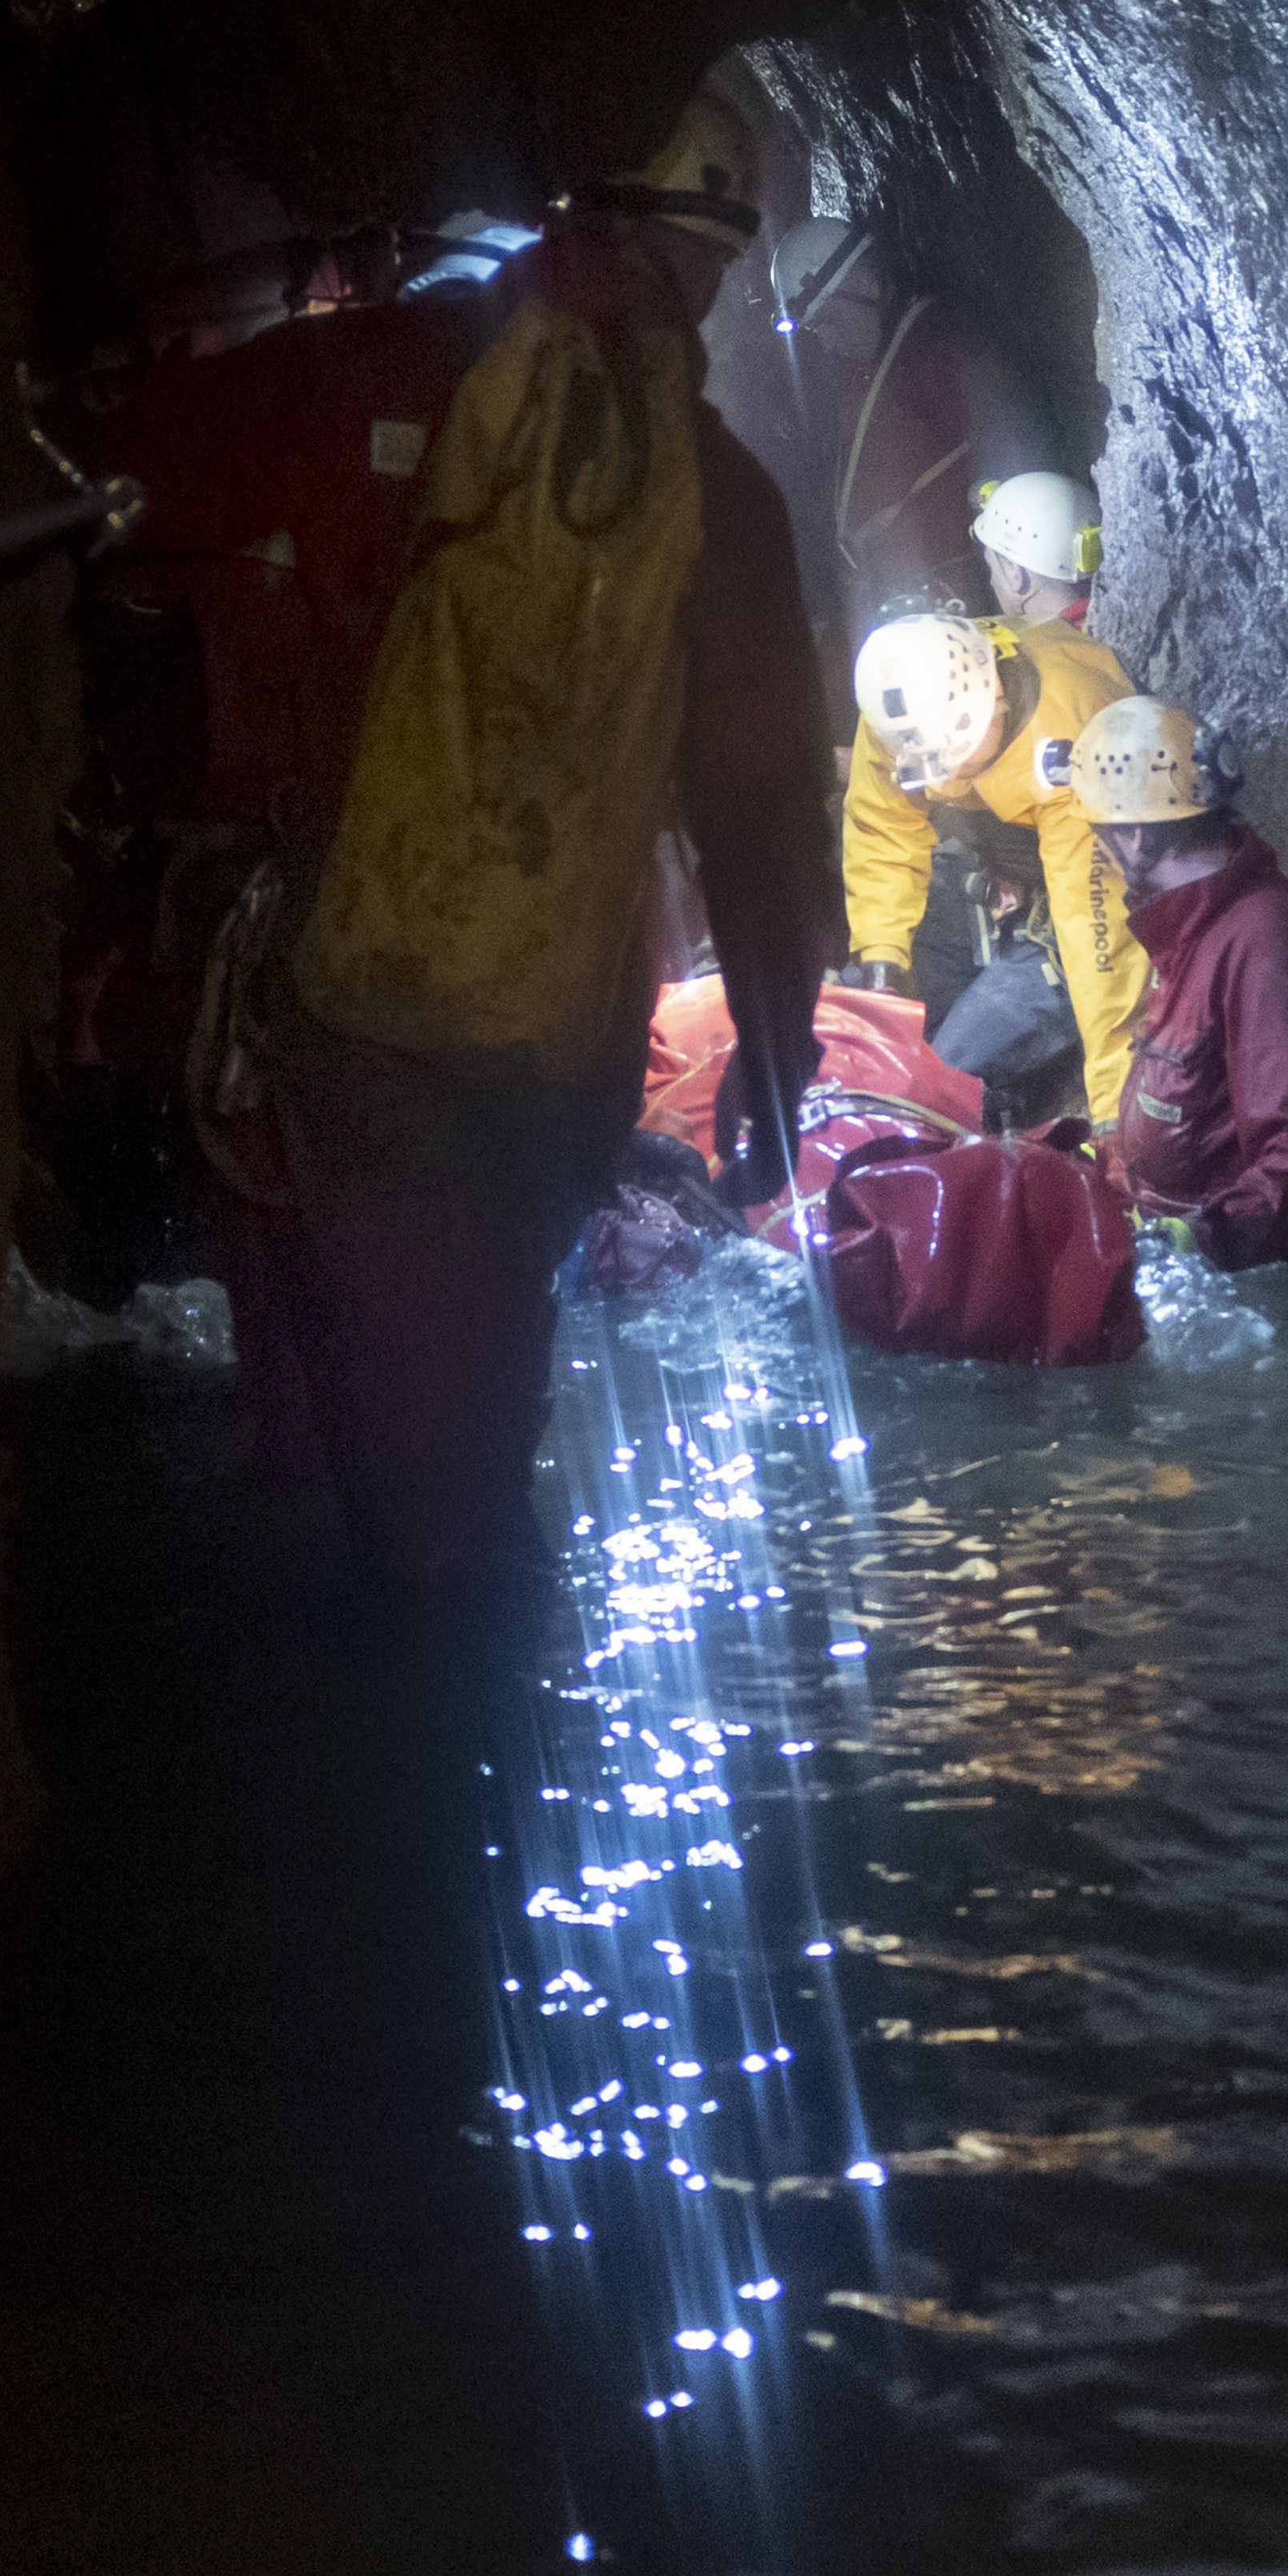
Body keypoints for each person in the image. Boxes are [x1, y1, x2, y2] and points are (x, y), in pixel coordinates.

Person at [260, 92, 834, 1588]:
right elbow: (763, 816)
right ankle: (457, 1687)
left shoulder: (389, 372)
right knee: (476, 1427)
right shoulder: (726, 506)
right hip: (546, 1048)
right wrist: (774, 1060)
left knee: (328, 1416)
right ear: (700, 265)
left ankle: (346, 1667)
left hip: (343, 999)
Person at [1067, 692, 1288, 1272]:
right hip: (1182, 1249)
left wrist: (1191, 1243)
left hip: (1233, 1281)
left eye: (1101, 835)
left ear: (1136, 837)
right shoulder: (1189, 933)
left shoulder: (1262, 942)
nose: (1102, 851)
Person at [839, 606, 1153, 1129]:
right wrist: (883, 968)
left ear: (996, 703)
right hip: (1002, 885)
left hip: (1077, 910)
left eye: (959, 757)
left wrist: (1114, 1119)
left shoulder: (1073, 736)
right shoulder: (906, 704)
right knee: (863, 1030)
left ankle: (991, 1101)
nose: (952, 774)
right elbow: (883, 832)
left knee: (941, 1079)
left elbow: (1105, 946)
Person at [970, 469, 1101, 635]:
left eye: (992, 569)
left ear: (1014, 572)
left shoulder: (1042, 655)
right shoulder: (1114, 623)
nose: (992, 582)